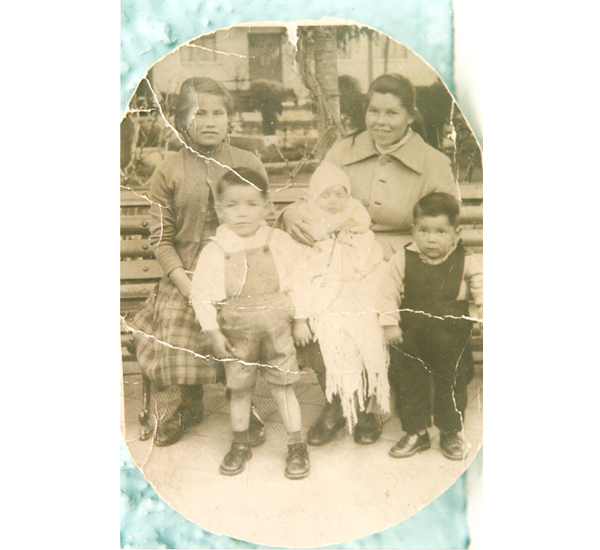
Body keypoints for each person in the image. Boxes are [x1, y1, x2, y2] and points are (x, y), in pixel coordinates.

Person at [282, 73, 460, 446]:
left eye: (392, 113)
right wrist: (290, 212)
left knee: (372, 310)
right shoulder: (343, 150)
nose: (381, 121)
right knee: (318, 310)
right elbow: (314, 194)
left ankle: (371, 406)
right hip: (336, 257)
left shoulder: (433, 163)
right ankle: (336, 399)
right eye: (373, 111)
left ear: (410, 116)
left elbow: (444, 222)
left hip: (401, 261)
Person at [130, 77, 268, 447]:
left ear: (229, 119)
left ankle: (241, 400)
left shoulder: (247, 162)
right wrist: (188, 285)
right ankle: (183, 404)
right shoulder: (169, 169)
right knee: (177, 324)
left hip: (240, 272)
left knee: (242, 323)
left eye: (217, 112)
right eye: (198, 113)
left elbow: (261, 223)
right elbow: (160, 238)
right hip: (186, 275)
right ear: (181, 120)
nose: (209, 121)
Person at [191, 169, 312, 479]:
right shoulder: (216, 250)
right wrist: (213, 331)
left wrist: (300, 320)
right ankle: (240, 442)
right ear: (219, 209)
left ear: (266, 206)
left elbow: (300, 281)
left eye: (251, 204)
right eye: (232, 205)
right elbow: (201, 296)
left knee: (284, 387)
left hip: (278, 328)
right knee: (240, 388)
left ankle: (296, 444)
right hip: (237, 331)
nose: (242, 213)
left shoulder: (279, 240)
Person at [380, 192, 483, 460]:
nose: (431, 238)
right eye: (424, 230)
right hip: (411, 333)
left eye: (440, 231)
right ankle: (416, 432)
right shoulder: (402, 259)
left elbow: (483, 288)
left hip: (452, 334)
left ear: (455, 232)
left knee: (452, 383)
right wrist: (390, 324)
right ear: (413, 229)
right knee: (409, 381)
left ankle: (450, 431)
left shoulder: (466, 260)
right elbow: (387, 292)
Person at [295, 161, 390, 434]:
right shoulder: (308, 227)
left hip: (358, 289)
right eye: (326, 194)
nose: (334, 201)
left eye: (340, 194)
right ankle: (337, 400)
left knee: (367, 329)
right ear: (314, 197)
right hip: (323, 293)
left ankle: (369, 406)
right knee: (328, 331)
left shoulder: (358, 226)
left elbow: (371, 260)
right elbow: (302, 270)